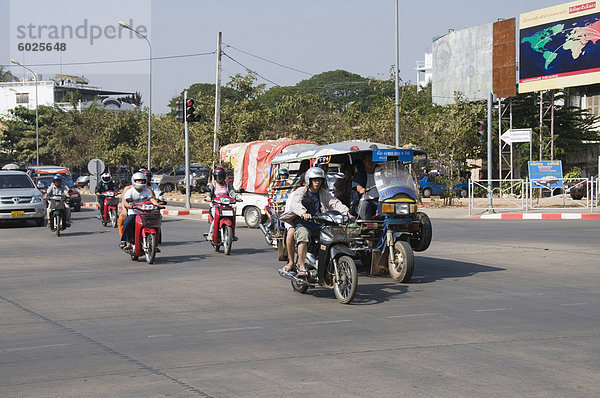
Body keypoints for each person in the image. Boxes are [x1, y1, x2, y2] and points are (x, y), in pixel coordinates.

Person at [287, 167, 352, 276]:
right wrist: (303, 213)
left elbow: (334, 203)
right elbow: (295, 203)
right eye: (314, 180)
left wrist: (347, 213)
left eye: (319, 180)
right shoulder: (301, 191)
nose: (317, 182)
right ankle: (302, 266)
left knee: (334, 235)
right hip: (304, 223)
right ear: (309, 180)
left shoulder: (323, 193)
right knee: (303, 235)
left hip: (319, 224)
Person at [120, 172, 159, 250]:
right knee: (127, 223)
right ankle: (128, 242)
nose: (141, 182)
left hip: (145, 213)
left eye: (142, 180)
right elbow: (125, 202)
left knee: (156, 223)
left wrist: (157, 205)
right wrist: (130, 206)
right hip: (134, 213)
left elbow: (151, 199)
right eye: (138, 180)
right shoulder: (130, 191)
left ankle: (155, 244)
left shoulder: (147, 190)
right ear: (134, 181)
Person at [205, 167, 237, 240]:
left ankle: (233, 234)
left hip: (226, 206)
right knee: (215, 219)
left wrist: (236, 197)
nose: (219, 179)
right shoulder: (213, 185)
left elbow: (232, 192)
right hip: (216, 206)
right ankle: (210, 234)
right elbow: (209, 193)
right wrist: (208, 197)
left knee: (233, 217)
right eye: (218, 177)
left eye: (221, 176)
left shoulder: (227, 185)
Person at [352, 152, 379, 220]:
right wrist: (361, 189)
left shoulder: (380, 172)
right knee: (364, 205)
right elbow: (357, 185)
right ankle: (366, 224)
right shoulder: (360, 173)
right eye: (368, 161)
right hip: (366, 199)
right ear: (364, 162)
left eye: (373, 161)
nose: (371, 163)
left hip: (379, 199)